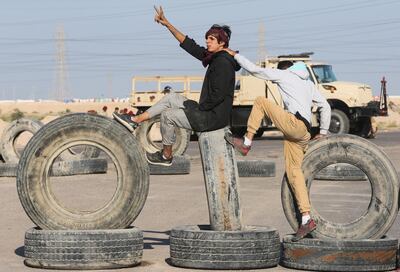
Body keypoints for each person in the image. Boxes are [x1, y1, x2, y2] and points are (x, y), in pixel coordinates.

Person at [223, 48, 331, 241]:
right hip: (304, 133)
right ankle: (306, 218)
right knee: (294, 172)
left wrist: (235, 55)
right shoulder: (308, 84)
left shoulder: (284, 75)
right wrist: (322, 132)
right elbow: (326, 106)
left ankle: (247, 142)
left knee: (261, 101)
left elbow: (255, 70)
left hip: (293, 124)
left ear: (284, 70)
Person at [113, 6, 240, 166]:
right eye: (207, 38)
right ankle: (135, 120)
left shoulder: (222, 63)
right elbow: (189, 44)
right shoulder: (214, 57)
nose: (207, 41)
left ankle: (167, 156)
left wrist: (195, 111)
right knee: (171, 98)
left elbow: (218, 95)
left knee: (168, 115)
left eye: (211, 39)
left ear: (222, 43)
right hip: (206, 111)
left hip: (211, 118)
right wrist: (167, 24)